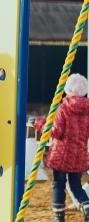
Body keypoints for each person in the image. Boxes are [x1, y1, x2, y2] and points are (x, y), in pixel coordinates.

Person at [34, 73, 89, 222]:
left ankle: (59, 217)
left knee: (58, 185)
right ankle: (86, 205)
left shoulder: (63, 108)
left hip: (62, 155)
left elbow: (56, 131)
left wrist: (40, 123)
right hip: (79, 156)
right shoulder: (87, 110)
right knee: (76, 185)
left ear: (67, 89)